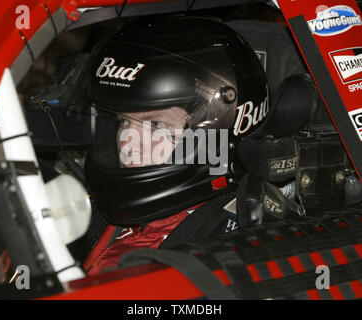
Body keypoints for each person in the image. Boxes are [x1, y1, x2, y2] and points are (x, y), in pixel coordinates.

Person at [80, 16, 270, 275]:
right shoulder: (99, 215)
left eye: (156, 124)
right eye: (123, 120)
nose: (126, 142)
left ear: (214, 134)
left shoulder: (221, 244)